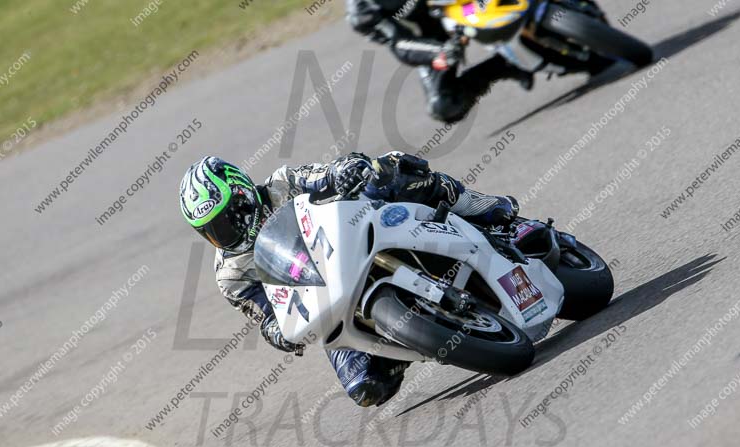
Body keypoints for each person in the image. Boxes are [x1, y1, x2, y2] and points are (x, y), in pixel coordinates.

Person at [179, 153, 519, 406]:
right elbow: (267, 316)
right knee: (367, 387)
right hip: (330, 296)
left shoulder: (283, 183)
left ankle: (478, 206)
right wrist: (279, 333)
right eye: (211, 231)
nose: (223, 234)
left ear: (240, 193)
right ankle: (417, 334)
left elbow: (328, 172)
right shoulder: (231, 275)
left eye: (225, 221)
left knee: (394, 172)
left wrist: (343, 173)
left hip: (356, 234)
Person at [345, 0, 534, 123]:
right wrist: (440, 52)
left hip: (455, 5)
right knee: (444, 106)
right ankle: (505, 64)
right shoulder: (363, 12)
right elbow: (401, 44)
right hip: (432, 39)